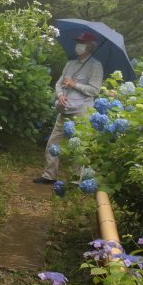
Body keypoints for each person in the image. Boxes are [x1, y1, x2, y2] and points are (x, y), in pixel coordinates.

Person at [33, 32, 104, 184]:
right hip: (64, 109)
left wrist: (74, 84)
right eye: (78, 41)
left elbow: (95, 90)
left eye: (82, 42)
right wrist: (60, 95)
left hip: (81, 111)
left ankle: (75, 179)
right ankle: (49, 176)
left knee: (78, 145)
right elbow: (59, 83)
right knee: (53, 142)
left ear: (90, 46)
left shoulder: (95, 65)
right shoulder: (70, 63)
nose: (78, 45)